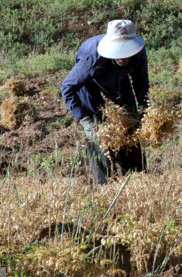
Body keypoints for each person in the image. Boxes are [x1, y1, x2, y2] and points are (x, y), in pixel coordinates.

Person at [61, 19, 150, 184]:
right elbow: (67, 88)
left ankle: (135, 183)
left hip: (120, 87)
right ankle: (103, 187)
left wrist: (143, 108)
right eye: (119, 54)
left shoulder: (138, 53)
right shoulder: (92, 57)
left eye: (126, 54)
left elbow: (141, 80)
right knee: (100, 141)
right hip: (92, 91)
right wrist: (85, 120)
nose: (122, 59)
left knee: (131, 136)